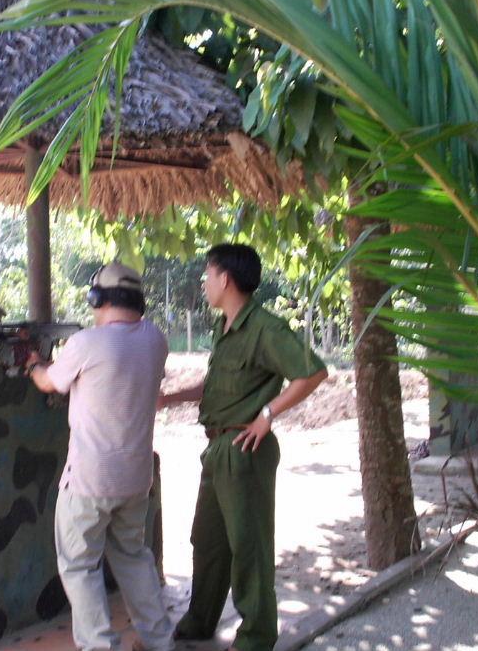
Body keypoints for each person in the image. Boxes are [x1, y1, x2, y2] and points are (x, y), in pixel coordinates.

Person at [159, 244, 328, 651]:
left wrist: (267, 414)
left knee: (249, 547)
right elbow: (216, 386)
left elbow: (312, 372)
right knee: (207, 541)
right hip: (217, 449)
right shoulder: (225, 328)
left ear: (225, 279)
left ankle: (256, 637)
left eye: (207, 274)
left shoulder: (265, 328)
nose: (203, 282)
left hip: (244, 449)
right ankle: (200, 621)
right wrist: (169, 398)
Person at [26, 262, 174, 651]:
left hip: (88, 480)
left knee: (79, 566)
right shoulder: (156, 340)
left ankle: (100, 645)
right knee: (133, 557)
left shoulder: (86, 344)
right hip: (136, 479)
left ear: (98, 299)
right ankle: (160, 641)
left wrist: (33, 363)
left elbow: (48, 382)